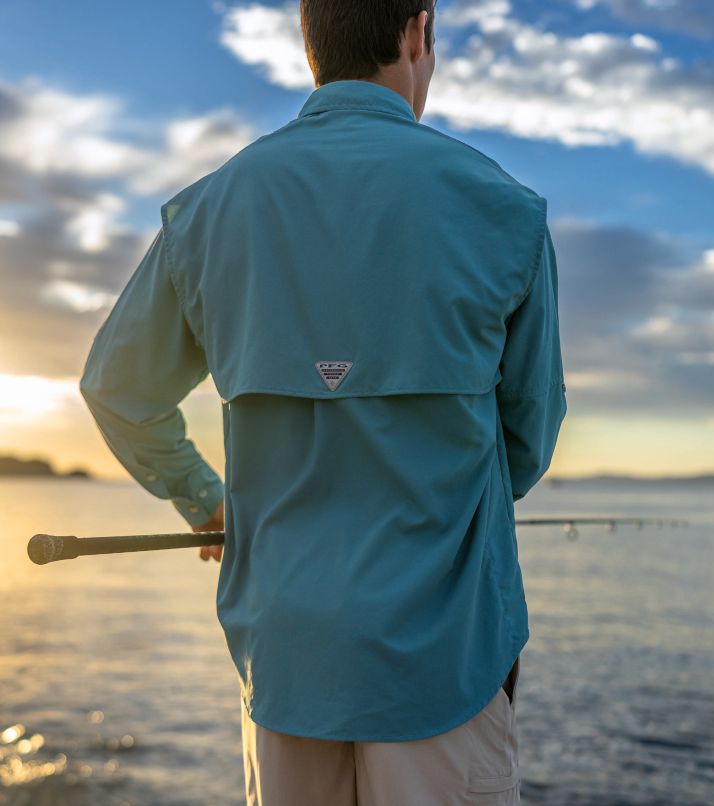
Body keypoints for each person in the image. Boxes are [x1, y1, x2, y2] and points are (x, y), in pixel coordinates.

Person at [78, 1, 567, 802]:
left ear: (311, 44)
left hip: (285, 665)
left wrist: (208, 503)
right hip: (444, 666)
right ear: (418, 31)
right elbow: (527, 443)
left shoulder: (207, 210)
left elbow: (118, 391)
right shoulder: (505, 209)